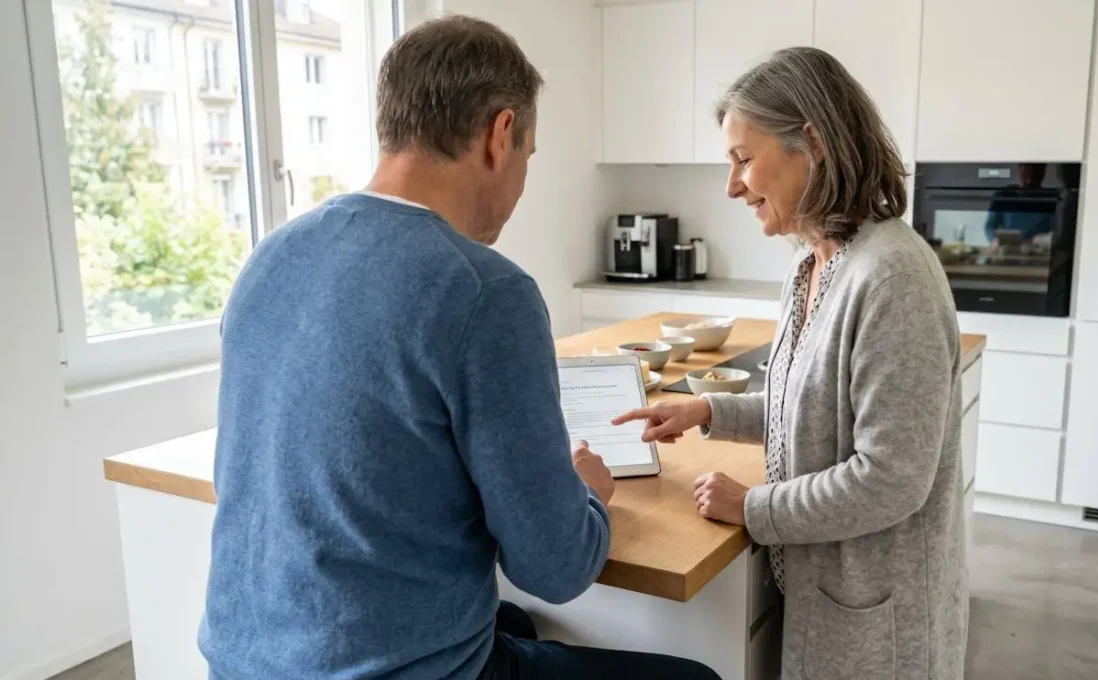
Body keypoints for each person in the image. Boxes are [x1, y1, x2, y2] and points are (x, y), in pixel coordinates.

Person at [199, 15, 718, 680]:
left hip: (243, 662)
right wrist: (587, 495)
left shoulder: (271, 257)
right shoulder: (485, 291)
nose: (522, 182)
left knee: (514, 622)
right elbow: (556, 567)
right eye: (529, 156)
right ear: (501, 135)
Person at [614, 47, 968, 680]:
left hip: (878, 623)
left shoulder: (893, 277)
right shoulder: (811, 265)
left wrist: (754, 507)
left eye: (743, 159)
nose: (731, 186)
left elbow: (890, 479)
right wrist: (708, 410)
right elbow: (811, 408)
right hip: (829, 596)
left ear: (813, 143)